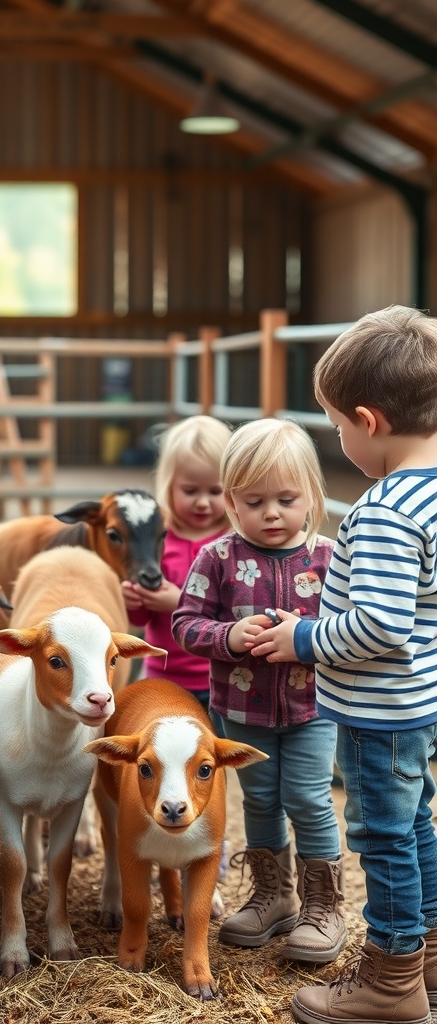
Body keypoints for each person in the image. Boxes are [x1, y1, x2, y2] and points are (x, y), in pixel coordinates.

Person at [250, 305, 437, 1024]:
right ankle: (428, 961)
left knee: (384, 839)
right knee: (417, 826)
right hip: (419, 703)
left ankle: (391, 984)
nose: (339, 438)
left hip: (380, 713)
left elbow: (380, 627)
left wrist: (303, 637)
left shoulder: (386, 509)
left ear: (370, 421)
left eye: (336, 426)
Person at [172, 416, 346, 964]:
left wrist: (308, 639)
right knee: (262, 799)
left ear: (312, 496)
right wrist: (229, 635)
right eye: (254, 501)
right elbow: (185, 623)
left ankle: (325, 903)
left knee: (310, 798)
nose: (271, 513)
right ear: (231, 502)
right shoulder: (217, 558)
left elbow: (349, 628)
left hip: (314, 706)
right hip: (242, 710)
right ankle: (274, 895)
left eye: (286, 499)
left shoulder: (329, 558)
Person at [122, 414, 231, 737]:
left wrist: (179, 602)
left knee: (210, 764)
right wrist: (132, 599)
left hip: (221, 681)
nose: (202, 501)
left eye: (215, 491)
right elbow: (140, 619)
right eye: (190, 490)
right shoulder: (157, 540)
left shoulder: (234, 543)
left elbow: (237, 609)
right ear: (168, 485)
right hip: (162, 676)